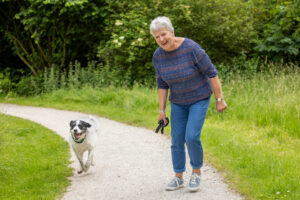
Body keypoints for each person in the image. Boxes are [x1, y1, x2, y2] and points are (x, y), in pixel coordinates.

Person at [150, 16, 227, 192]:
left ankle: (196, 173)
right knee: (176, 139)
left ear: (172, 32)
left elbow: (212, 73)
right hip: (178, 102)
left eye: (163, 34)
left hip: (199, 98)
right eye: (157, 37)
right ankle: (178, 177)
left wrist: (219, 99)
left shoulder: (191, 48)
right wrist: (161, 110)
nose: (161, 39)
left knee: (191, 136)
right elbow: (162, 85)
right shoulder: (158, 56)